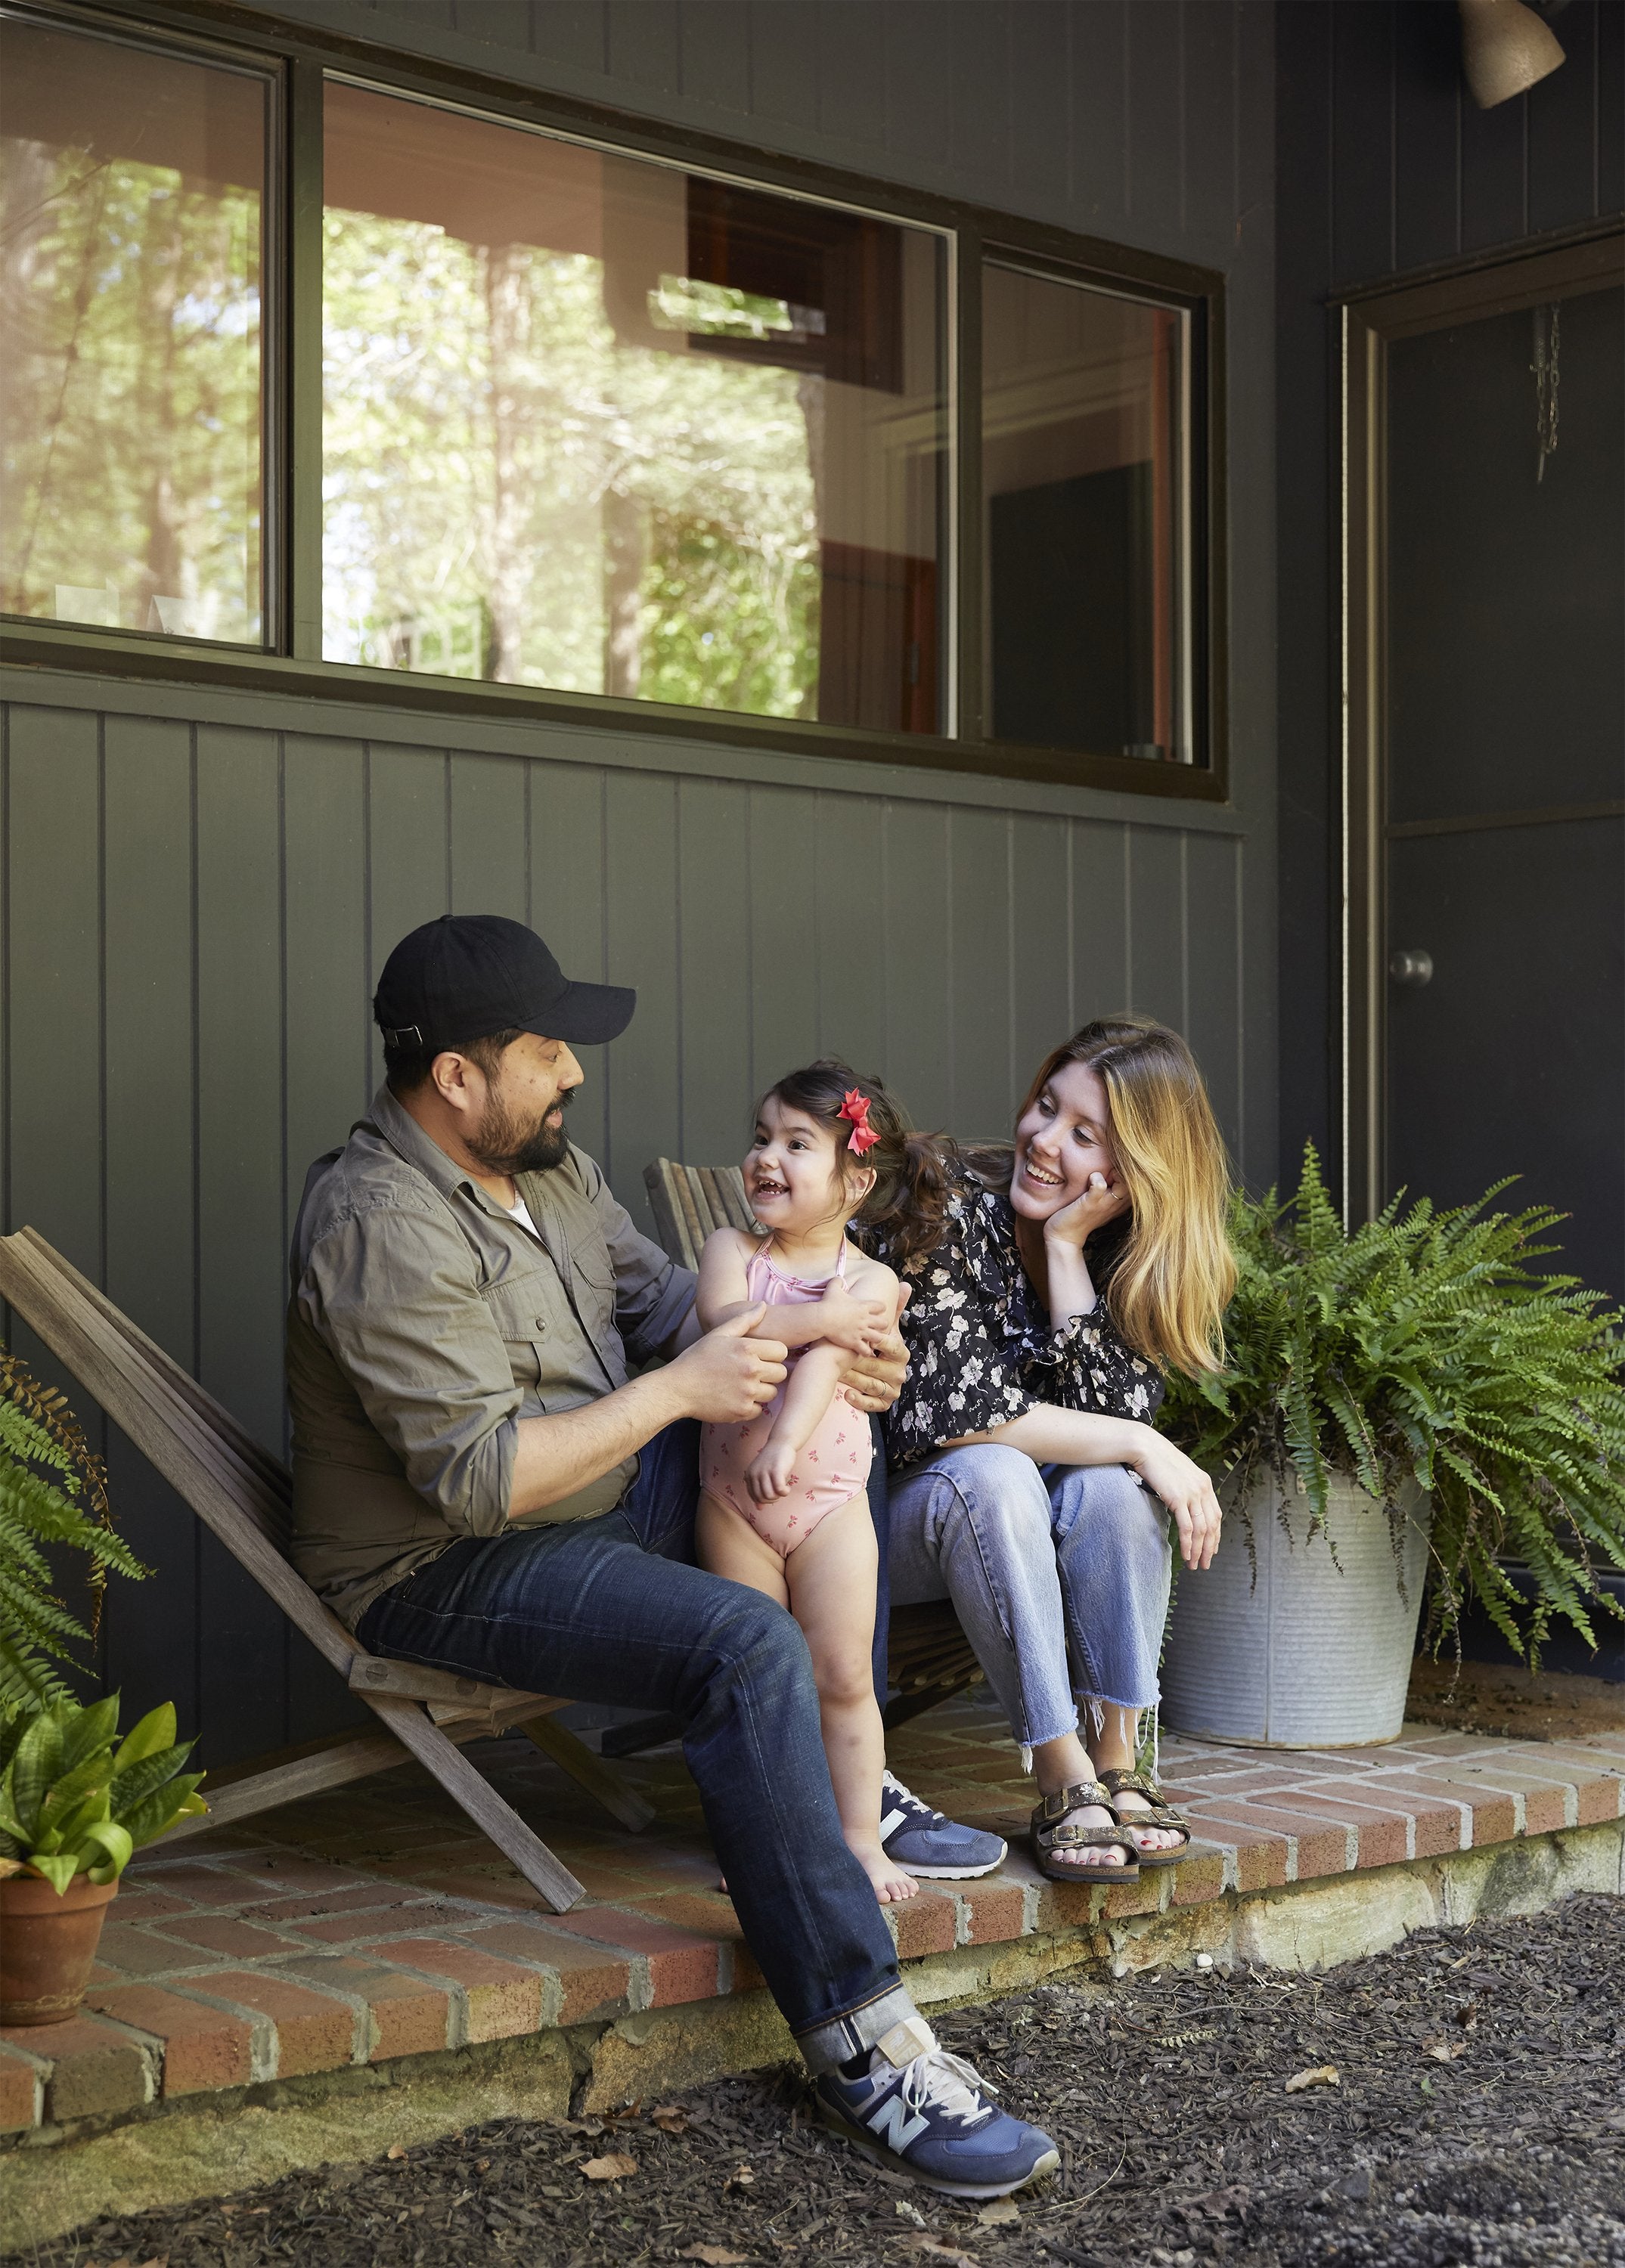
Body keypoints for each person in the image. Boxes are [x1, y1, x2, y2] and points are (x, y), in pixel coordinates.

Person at [287, 915, 1057, 2198]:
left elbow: (663, 1309)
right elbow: (481, 1481)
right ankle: (863, 2042)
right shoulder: (378, 1223)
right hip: (447, 1565)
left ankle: (838, 1768)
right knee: (740, 1642)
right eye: (547, 1049)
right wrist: (683, 1393)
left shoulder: (549, 1175)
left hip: (598, 1493)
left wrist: (848, 1354)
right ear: (458, 1077)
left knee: (823, 1446)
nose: (573, 1072)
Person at [867, 1018, 1235, 1885]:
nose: (1042, 1140)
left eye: (1084, 1135)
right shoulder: (945, 1200)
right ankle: (1059, 1770)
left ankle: (1116, 1761)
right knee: (995, 1473)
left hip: (1025, 1534)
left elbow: (1109, 1437)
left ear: (1134, 1167)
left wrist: (1065, 1251)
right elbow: (959, 1413)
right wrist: (1143, 1440)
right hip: (887, 1526)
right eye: (1046, 1107)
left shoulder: (1110, 1245)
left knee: (1111, 1490)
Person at [697, 1065, 912, 1904]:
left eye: (796, 1144)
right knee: (754, 1683)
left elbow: (829, 1361)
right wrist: (818, 1316)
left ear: (854, 1182)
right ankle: (763, 1839)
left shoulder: (871, 1282)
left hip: (828, 1506)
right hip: (733, 1504)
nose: (766, 1157)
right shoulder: (730, 1251)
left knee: (843, 1676)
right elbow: (725, 1325)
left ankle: (859, 1838)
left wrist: (786, 1437)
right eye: (761, 1138)